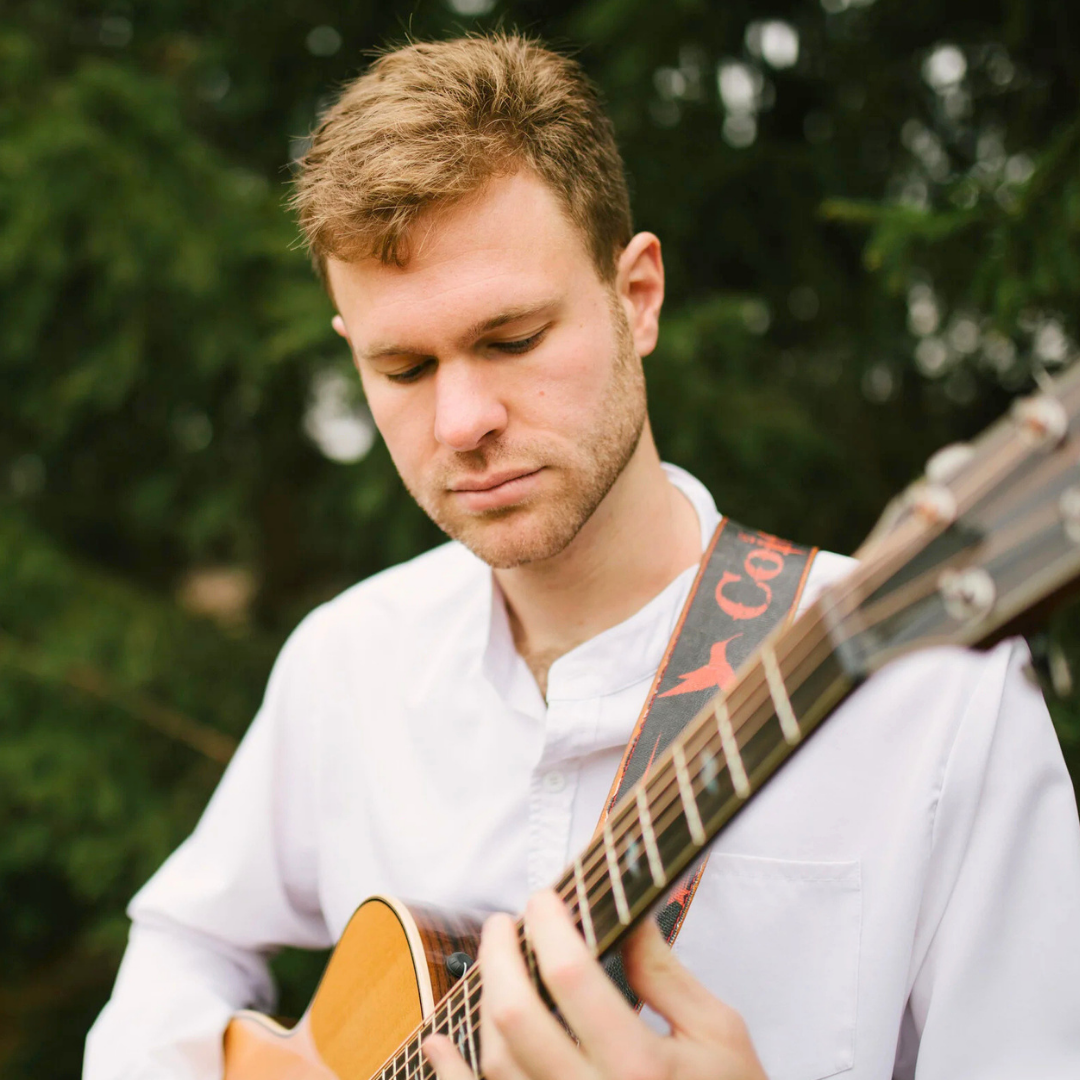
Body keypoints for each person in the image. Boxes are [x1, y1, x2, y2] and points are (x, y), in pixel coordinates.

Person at [84, 32, 1080, 1080]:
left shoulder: (938, 701)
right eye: (404, 368)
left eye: (511, 339)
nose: (461, 421)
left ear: (637, 295)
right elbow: (182, 946)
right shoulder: (348, 663)